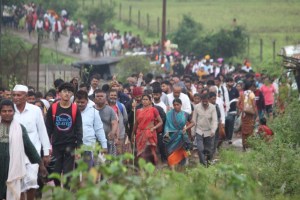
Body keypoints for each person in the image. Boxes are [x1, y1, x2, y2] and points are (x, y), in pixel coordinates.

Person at [0, 99, 48, 200]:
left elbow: (29, 147)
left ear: (14, 112)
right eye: (4, 111)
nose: (7, 113)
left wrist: (41, 164)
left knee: (12, 193)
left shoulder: (20, 128)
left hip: (13, 169)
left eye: (10, 111)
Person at [12, 85, 51, 199]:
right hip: (14, 153)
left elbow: (42, 131)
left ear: (26, 96)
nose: (16, 98)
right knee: (17, 183)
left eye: (19, 95)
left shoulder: (35, 111)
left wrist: (46, 153)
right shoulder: (8, 110)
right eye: (14, 95)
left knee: (32, 180)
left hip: (33, 153)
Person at [45, 82, 83, 187]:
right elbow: (48, 128)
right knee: (55, 172)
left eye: (70, 92)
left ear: (72, 95)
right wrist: (46, 146)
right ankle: (57, 191)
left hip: (70, 146)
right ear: (59, 93)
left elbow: (79, 129)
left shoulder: (75, 109)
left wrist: (79, 148)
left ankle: (66, 194)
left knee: (67, 173)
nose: (67, 94)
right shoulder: (53, 108)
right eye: (64, 91)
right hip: (56, 145)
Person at [75, 90, 107, 169]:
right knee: (73, 175)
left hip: (88, 147)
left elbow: (99, 130)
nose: (80, 104)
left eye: (82, 102)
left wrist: (104, 146)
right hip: (73, 148)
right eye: (78, 102)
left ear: (87, 101)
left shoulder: (93, 112)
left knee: (87, 173)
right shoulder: (71, 111)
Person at [164, 99, 194, 170]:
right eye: (174, 105)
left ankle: (185, 166)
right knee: (171, 154)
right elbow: (167, 126)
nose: (176, 106)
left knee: (185, 151)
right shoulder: (169, 114)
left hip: (182, 136)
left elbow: (193, 123)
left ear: (181, 105)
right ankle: (173, 171)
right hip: (171, 136)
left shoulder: (185, 114)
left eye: (178, 105)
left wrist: (186, 129)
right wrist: (166, 138)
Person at [133, 95, 163, 165]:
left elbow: (161, 122)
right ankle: (142, 169)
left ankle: (153, 167)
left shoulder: (153, 110)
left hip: (150, 133)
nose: (144, 101)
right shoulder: (138, 111)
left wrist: (154, 128)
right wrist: (132, 134)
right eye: (143, 99)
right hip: (140, 134)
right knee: (141, 153)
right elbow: (136, 124)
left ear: (150, 101)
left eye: (146, 99)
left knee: (150, 151)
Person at [192, 93, 218, 165]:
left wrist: (213, 130)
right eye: (203, 101)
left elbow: (214, 120)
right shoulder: (197, 107)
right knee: (200, 149)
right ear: (201, 100)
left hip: (209, 132)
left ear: (208, 100)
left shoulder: (213, 108)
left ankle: (208, 163)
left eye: (206, 101)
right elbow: (194, 120)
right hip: (199, 131)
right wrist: (193, 132)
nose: (205, 102)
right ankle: (203, 164)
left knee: (209, 150)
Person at [94, 89, 118, 156]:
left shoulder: (110, 110)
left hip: (107, 139)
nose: (99, 98)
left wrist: (113, 132)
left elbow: (115, 123)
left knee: (106, 160)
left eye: (101, 96)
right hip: (93, 140)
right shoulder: (91, 109)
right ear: (94, 99)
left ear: (105, 98)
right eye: (97, 96)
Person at [107, 90, 128, 155]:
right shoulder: (105, 106)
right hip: (107, 134)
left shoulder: (121, 106)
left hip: (120, 134)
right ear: (108, 96)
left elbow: (125, 119)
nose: (113, 97)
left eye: (115, 95)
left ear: (117, 97)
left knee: (119, 152)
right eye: (111, 95)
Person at [239, 81, 258, 151]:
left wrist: (243, 109)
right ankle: (249, 145)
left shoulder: (242, 93)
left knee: (244, 130)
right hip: (250, 115)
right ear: (250, 87)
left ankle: (244, 147)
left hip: (244, 115)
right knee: (250, 130)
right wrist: (257, 115)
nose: (254, 88)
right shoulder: (252, 94)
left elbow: (237, 104)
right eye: (253, 87)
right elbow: (254, 105)